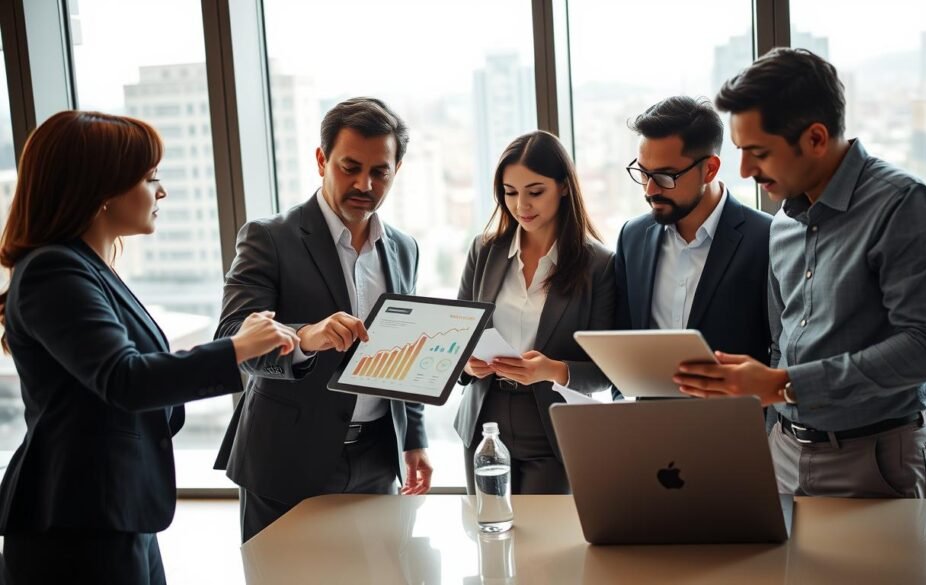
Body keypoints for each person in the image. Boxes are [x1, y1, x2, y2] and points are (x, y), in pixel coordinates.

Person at [0, 110, 299, 584]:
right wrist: (236, 348)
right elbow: (126, 378)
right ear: (99, 189)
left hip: (113, 510)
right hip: (77, 523)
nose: (160, 192)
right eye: (148, 178)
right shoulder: (53, 272)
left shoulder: (87, 267)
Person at [675, 48, 926, 498]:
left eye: (758, 153)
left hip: (875, 461)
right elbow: (780, 341)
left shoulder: (902, 204)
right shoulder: (783, 220)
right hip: (783, 451)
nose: (745, 171)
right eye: (741, 152)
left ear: (817, 139)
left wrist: (785, 385)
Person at [214, 97, 432, 542]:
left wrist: (414, 439)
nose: (364, 184)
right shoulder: (269, 237)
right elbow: (232, 338)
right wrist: (305, 339)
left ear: (396, 170)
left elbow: (403, 352)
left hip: (377, 459)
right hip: (286, 460)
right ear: (321, 160)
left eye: (379, 172)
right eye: (349, 167)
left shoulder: (404, 248)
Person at [455, 130, 615, 494]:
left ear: (563, 187)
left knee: (544, 545)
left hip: (552, 427)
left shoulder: (599, 265)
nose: (521, 205)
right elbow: (455, 337)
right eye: (510, 193)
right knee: (490, 532)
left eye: (535, 191)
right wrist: (466, 363)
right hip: (484, 421)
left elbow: (606, 372)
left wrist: (550, 370)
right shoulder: (484, 251)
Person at [615, 96, 772, 391]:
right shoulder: (632, 237)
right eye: (643, 172)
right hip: (648, 427)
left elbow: (779, 352)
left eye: (664, 176)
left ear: (710, 169)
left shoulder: (766, 239)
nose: (650, 189)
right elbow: (623, 342)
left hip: (735, 428)